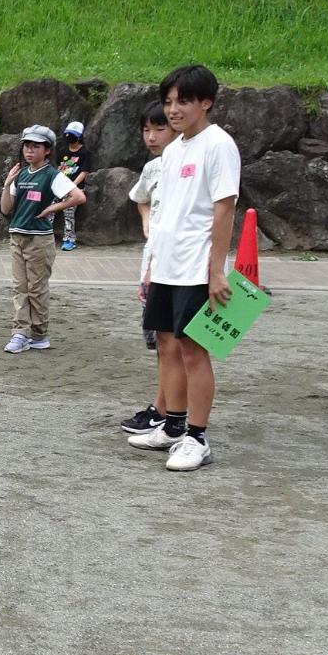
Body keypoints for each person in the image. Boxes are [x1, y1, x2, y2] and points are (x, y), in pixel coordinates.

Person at [128, 65, 240, 473]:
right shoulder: (173, 150)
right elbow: (165, 211)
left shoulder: (218, 145)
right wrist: (153, 262)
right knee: (167, 346)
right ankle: (172, 426)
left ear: (206, 102)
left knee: (194, 351)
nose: (173, 110)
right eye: (169, 101)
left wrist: (217, 271)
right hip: (166, 266)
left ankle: (197, 436)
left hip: (197, 267)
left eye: (183, 101)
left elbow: (224, 207)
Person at [0, 124, 81, 353]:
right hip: (18, 235)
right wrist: (7, 184)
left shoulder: (52, 175)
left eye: (36, 146)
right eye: (27, 145)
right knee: (19, 287)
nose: (29, 150)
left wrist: (53, 207)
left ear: (47, 150)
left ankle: (38, 334)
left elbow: (78, 196)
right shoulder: (21, 174)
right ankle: (20, 333)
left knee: (36, 288)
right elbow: (6, 209)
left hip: (39, 240)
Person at [122, 100, 178, 432]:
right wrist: (147, 221)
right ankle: (166, 408)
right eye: (146, 130)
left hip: (174, 267)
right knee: (161, 343)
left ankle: (167, 411)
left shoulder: (187, 165)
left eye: (160, 129)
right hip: (154, 263)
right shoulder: (153, 168)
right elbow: (139, 197)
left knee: (177, 346)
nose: (152, 137)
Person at [57, 120, 88, 250]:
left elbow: (84, 172)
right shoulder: (63, 150)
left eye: (72, 135)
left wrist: (72, 186)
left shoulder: (85, 152)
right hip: (61, 186)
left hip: (75, 188)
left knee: (68, 211)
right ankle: (45, 234)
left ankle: (69, 239)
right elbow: (60, 168)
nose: (69, 137)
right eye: (68, 134)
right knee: (50, 207)